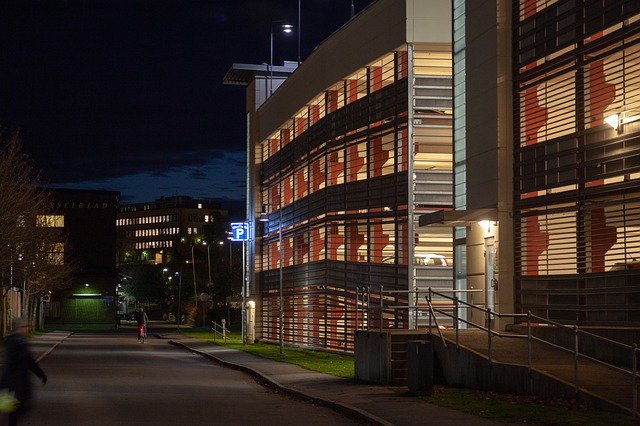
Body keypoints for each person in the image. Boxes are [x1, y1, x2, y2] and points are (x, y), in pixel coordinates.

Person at [0, 317, 47, 426]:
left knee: (16, 409)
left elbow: (29, 360)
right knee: (16, 409)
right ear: (19, 328)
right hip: (14, 382)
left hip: (16, 382)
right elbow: (18, 360)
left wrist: (40, 374)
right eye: (25, 327)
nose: (27, 329)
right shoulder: (17, 342)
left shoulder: (19, 341)